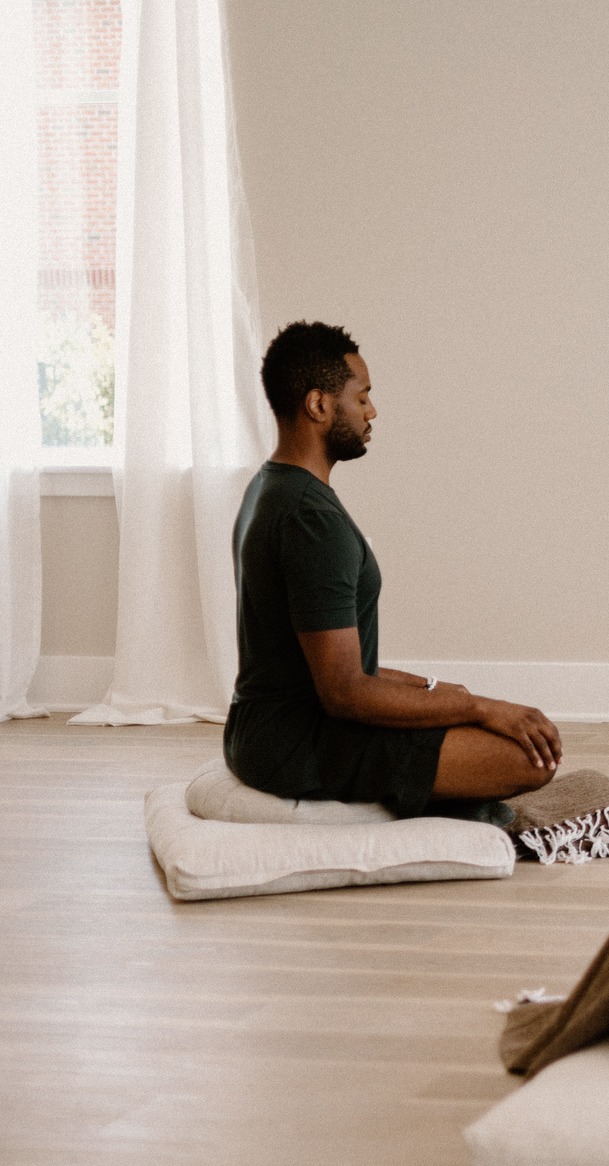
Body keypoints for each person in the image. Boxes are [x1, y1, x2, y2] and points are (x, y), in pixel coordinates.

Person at [223, 321, 561, 820]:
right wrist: (482, 708)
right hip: (295, 744)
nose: (372, 411)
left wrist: (439, 691)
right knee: (529, 758)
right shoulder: (311, 519)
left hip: (263, 731)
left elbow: (329, 665)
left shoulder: (270, 487)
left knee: (463, 709)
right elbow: (345, 692)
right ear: (318, 405)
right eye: (361, 397)